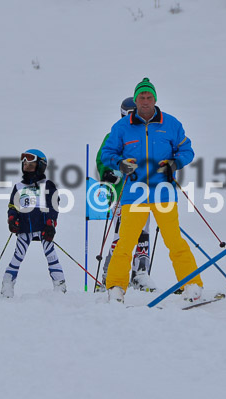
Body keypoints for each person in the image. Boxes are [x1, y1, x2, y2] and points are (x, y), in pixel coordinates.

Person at [101, 77, 203, 303]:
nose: (145, 101)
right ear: (136, 100)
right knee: (126, 243)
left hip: (163, 193)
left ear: (155, 99)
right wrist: (120, 164)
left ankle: (192, 286)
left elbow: (186, 150)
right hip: (134, 194)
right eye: (141, 97)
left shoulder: (171, 124)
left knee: (174, 240)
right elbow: (107, 154)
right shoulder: (121, 127)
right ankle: (116, 288)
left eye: (149, 97)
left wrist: (175, 164)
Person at [96, 97, 157, 292]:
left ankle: (140, 273)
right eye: (130, 113)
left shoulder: (147, 135)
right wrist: (109, 173)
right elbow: (103, 159)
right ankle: (110, 274)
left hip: (144, 192)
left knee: (143, 231)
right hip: (123, 192)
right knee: (122, 233)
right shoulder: (116, 133)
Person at [0, 149, 67, 298]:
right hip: (25, 229)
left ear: (41, 165)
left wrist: (50, 224)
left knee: (51, 255)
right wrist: (12, 219)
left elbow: (53, 205)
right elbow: (13, 206)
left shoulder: (47, 185)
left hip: (44, 228)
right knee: (18, 256)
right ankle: (7, 285)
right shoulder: (18, 187)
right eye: (25, 164)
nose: (27, 166)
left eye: (31, 164)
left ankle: (60, 286)